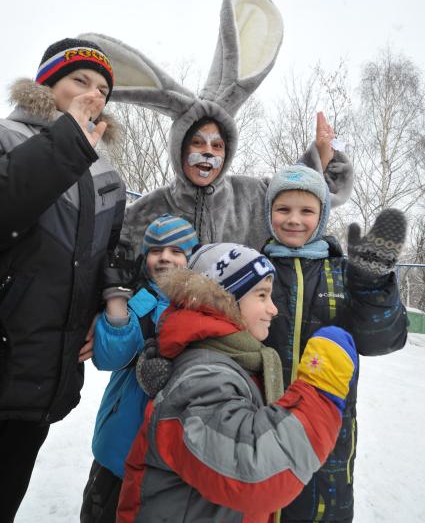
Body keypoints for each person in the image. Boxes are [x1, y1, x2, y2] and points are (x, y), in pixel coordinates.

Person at [81, 0, 353, 251]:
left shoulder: (252, 197)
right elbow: (109, 255)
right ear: (180, 149)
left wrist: (322, 154)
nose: (207, 153)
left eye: (217, 146)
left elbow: (301, 195)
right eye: (197, 143)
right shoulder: (150, 208)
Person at [117, 243, 358, 523]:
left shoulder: (228, 360)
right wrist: (321, 389)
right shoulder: (204, 376)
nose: (273, 309)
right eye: (262, 295)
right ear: (225, 300)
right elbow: (254, 471)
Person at [0, 38, 126, 522]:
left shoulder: (106, 173)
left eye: (102, 89)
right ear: (46, 83)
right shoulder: (8, 136)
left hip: (43, 380)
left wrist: (103, 305)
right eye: (80, 81)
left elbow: (106, 256)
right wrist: (69, 140)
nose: (93, 95)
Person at [262, 165, 408, 523]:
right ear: (268, 215)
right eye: (283, 209)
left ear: (323, 214)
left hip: (328, 432)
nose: (294, 220)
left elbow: (382, 340)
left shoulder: (343, 272)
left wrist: (372, 285)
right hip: (259, 421)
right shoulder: (253, 266)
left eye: (306, 210)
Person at [80, 214, 199, 523]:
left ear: (192, 257)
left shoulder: (201, 306)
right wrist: (117, 302)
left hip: (176, 452)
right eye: (157, 251)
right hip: (121, 442)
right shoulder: (142, 299)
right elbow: (111, 357)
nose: (165, 258)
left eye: (176, 251)